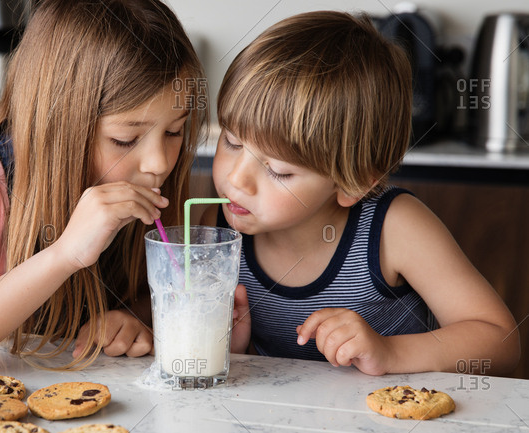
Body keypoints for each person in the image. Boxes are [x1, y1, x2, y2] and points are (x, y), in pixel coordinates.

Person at [0, 0, 207, 377]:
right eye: (126, 139)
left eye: (174, 131)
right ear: (60, 123)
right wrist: (65, 254)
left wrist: (130, 317)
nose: (158, 162)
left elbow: (148, 290)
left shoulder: (155, 179)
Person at [202, 11, 520, 376]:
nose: (235, 179)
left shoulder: (393, 228)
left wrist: (390, 352)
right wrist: (237, 351)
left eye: (278, 170)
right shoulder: (219, 229)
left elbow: (501, 341)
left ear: (352, 184)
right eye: (231, 141)